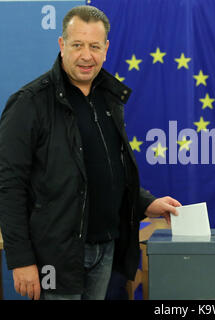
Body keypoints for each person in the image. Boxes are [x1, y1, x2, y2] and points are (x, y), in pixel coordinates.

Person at [0, 5, 181, 300]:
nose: (86, 56)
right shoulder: (28, 103)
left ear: (106, 49)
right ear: (62, 45)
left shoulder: (109, 99)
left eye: (94, 46)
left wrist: (146, 202)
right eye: (77, 45)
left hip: (105, 248)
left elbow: (107, 171)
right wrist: (21, 260)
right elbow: (9, 187)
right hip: (55, 256)